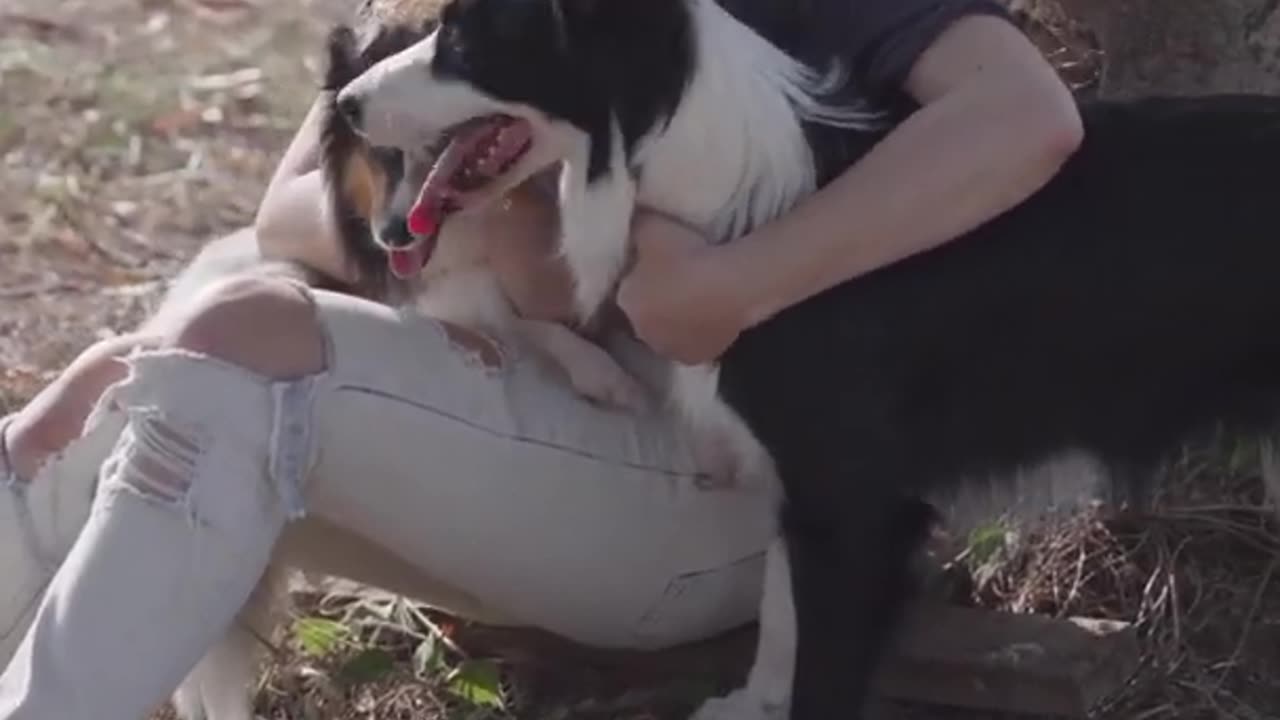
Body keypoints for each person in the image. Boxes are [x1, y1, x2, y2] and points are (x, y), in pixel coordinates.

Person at [0, 0, 1083, 717]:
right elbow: (290, 206)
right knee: (166, 354)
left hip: (709, 480)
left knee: (228, 336)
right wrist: (481, 211)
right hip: (495, 438)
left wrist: (739, 282)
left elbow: (1025, 117)